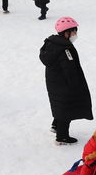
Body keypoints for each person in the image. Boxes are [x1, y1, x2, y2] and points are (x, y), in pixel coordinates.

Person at [39, 16, 92, 144]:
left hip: (55, 83)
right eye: (74, 31)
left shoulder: (52, 44)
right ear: (67, 33)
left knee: (60, 106)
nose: (76, 34)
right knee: (66, 109)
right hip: (64, 85)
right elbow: (70, 70)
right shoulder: (65, 49)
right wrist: (76, 86)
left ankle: (56, 125)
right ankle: (62, 137)